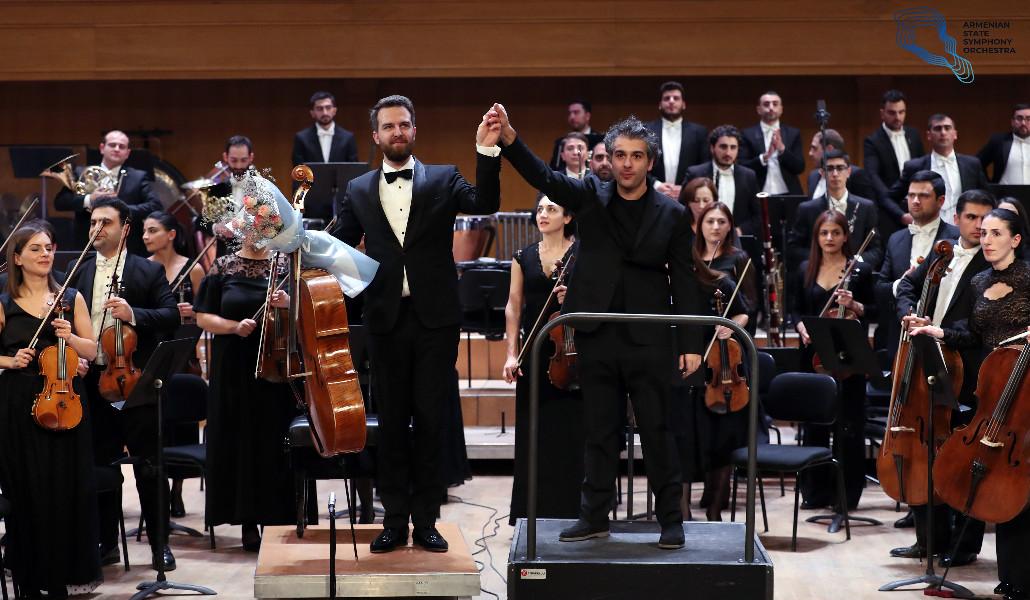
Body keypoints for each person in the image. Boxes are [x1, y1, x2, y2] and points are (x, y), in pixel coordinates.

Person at [492, 104, 703, 550]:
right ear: (609, 158)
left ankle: (671, 520)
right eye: (620, 154)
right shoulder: (589, 195)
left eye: (636, 156)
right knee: (600, 432)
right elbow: (545, 178)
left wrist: (690, 343)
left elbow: (684, 279)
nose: (627, 163)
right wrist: (509, 140)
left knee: (657, 432)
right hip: (596, 335)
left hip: (649, 337)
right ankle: (593, 517)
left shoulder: (672, 213)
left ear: (650, 162)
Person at [333, 95, 501, 554]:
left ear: (414, 129)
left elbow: (486, 201)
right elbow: (338, 246)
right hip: (384, 319)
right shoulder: (359, 189)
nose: (397, 132)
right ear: (376, 135)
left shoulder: (444, 178)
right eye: (389, 126)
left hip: (435, 321)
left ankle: (426, 520)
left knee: (431, 420)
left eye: (404, 124)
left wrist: (486, 150)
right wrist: (291, 238)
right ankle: (393, 520)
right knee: (390, 423)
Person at [909, 208, 1030, 600]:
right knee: (994, 478)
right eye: (984, 233)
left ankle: (1023, 578)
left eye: (996, 233)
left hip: (1026, 392)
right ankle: (1010, 576)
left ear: (1015, 240)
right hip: (990, 391)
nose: (987, 240)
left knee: (1021, 484)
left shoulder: (1029, 278)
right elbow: (974, 336)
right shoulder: (979, 281)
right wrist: (938, 331)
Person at [67, 198, 180, 570]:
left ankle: (160, 545)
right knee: (101, 465)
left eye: (106, 222)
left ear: (125, 228)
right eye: (93, 222)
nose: (96, 228)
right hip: (92, 383)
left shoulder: (147, 271)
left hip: (135, 384)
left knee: (149, 466)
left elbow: (171, 315)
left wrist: (134, 313)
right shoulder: (78, 270)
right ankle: (106, 543)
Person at [890, 189, 996, 566]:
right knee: (925, 448)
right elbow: (907, 286)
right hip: (929, 362)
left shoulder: (991, 265)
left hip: (967, 367)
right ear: (957, 218)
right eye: (971, 218)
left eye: (985, 219)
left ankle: (964, 546)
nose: (979, 226)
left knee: (964, 458)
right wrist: (910, 314)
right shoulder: (943, 253)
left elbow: (979, 324)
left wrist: (941, 331)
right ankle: (928, 540)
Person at [0, 221, 101, 598]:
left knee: (65, 489)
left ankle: (60, 578)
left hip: (65, 402)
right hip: (17, 405)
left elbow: (92, 350)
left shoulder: (70, 296)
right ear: (17, 258)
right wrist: (10, 360)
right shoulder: (4, 301)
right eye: (36, 249)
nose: (45, 254)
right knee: (27, 489)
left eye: (49, 247)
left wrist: (69, 336)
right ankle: (29, 579)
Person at [193, 230, 299, 552]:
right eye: (252, 226)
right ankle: (248, 521)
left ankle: (279, 517)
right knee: (240, 438)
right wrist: (233, 327)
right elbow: (203, 318)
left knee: (274, 438)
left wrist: (287, 303)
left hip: (275, 365)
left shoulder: (285, 267)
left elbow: (305, 312)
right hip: (234, 366)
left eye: (264, 227)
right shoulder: (224, 266)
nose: (258, 233)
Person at [502, 194, 583, 526]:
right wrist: (511, 353)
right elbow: (513, 306)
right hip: (535, 354)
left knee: (571, 435)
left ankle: (572, 512)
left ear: (568, 217)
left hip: (574, 356)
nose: (544, 214)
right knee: (534, 434)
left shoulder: (583, 255)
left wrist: (575, 298)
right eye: (540, 209)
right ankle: (530, 513)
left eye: (552, 208)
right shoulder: (522, 257)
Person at [792, 210, 875, 510]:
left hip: (849, 358)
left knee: (849, 427)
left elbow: (875, 310)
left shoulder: (860, 271)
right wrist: (801, 327)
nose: (830, 238)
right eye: (824, 233)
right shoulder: (805, 268)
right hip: (813, 357)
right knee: (815, 425)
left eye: (836, 233)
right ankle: (815, 492)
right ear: (817, 237)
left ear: (845, 236)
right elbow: (795, 309)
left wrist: (854, 304)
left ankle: (846, 495)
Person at [675, 204, 752, 522]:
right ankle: (681, 513)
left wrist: (729, 327)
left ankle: (715, 511)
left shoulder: (723, 281)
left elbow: (743, 312)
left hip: (720, 371)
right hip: (685, 371)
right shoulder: (677, 281)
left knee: (721, 443)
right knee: (681, 442)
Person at [142, 210, 205, 518]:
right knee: (157, 423)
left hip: (183, 351)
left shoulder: (193, 268)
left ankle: (177, 489)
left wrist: (192, 312)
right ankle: (158, 488)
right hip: (153, 349)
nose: (145, 236)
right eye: (144, 231)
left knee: (182, 422)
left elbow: (207, 311)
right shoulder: (144, 268)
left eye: (152, 230)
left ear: (170, 234)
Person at [874, 171, 957, 356]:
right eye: (911, 195)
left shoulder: (956, 238)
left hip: (942, 335)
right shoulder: (895, 239)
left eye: (923, 196)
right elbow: (880, 288)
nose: (916, 201)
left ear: (941, 201)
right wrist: (901, 284)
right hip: (900, 336)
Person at [53, 129, 162, 256]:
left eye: (121, 146)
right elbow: (60, 202)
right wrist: (90, 199)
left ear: (127, 153)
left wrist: (120, 210)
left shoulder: (138, 177)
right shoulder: (80, 173)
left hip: (126, 245)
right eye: (112, 145)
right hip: (87, 245)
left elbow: (155, 205)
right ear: (102, 148)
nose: (116, 149)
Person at [787, 150, 882, 270]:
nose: (835, 174)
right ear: (822, 173)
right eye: (830, 169)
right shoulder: (807, 209)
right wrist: (821, 259)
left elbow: (876, 250)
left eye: (840, 168)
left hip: (854, 275)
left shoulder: (866, 207)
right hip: (820, 274)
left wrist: (854, 262)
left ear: (848, 172)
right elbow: (794, 248)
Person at [889, 114, 989, 224]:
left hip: (964, 228)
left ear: (955, 134)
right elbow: (889, 197)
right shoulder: (914, 167)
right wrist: (902, 216)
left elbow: (987, 196)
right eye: (938, 128)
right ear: (929, 135)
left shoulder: (972, 164)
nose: (943, 132)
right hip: (927, 228)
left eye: (947, 128)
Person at [684, 125, 761, 236]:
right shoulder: (695, 173)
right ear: (712, 148)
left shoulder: (748, 176)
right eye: (723, 147)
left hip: (737, 240)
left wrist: (739, 231)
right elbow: (683, 208)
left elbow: (758, 215)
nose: (728, 153)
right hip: (700, 238)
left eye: (733, 147)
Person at [643, 81, 709, 197]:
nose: (671, 101)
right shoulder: (646, 130)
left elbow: (704, 166)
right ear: (660, 104)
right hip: (653, 194)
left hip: (689, 196)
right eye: (667, 98)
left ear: (683, 104)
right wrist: (656, 185)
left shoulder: (699, 132)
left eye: (676, 98)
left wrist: (687, 186)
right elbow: (640, 163)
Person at [738, 91, 805, 195]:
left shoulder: (793, 133)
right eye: (766, 104)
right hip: (758, 192)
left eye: (775, 104)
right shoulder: (746, 134)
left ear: (781, 109)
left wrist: (782, 149)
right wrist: (763, 158)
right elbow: (742, 166)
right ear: (758, 110)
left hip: (789, 193)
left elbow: (800, 167)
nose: (771, 108)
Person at [863, 89, 926, 193]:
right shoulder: (872, 141)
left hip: (915, 195)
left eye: (901, 112)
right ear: (882, 113)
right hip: (888, 198)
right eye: (892, 113)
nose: (897, 117)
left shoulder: (914, 135)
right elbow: (872, 176)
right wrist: (889, 198)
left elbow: (923, 166)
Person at [291, 90, 359, 166]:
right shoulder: (301, 138)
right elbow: (298, 169)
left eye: (328, 107)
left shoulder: (348, 137)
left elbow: (354, 169)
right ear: (312, 113)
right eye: (319, 108)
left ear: (334, 110)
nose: (325, 113)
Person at [977, 103, 1030, 184]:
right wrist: (988, 186)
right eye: (1019, 118)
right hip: (1004, 191)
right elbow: (977, 163)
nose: (1023, 123)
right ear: (1012, 122)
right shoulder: (998, 141)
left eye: (1028, 119)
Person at [548, 99, 604, 171]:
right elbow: (555, 168)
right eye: (570, 113)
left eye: (576, 112)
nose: (572, 117)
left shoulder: (600, 140)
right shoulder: (561, 142)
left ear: (587, 116)